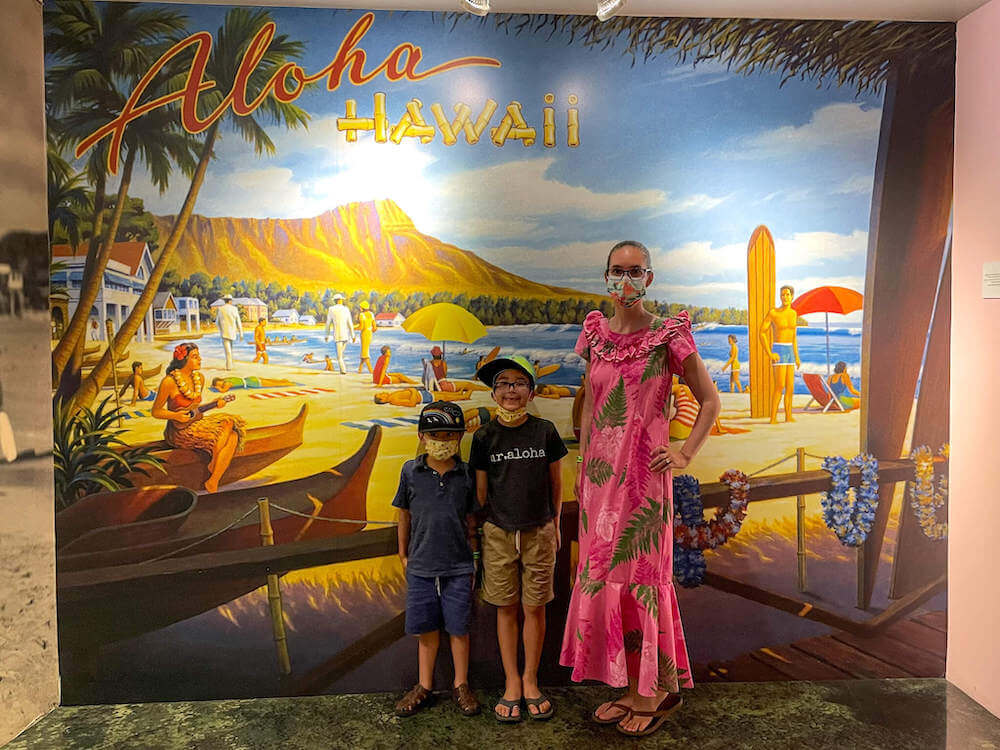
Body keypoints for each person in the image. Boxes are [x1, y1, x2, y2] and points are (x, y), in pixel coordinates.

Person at [560, 240, 719, 738]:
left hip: (646, 484)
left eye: (634, 271)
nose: (624, 280)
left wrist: (685, 452)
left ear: (649, 278)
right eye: (616, 271)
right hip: (599, 486)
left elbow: (710, 401)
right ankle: (630, 687)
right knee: (607, 576)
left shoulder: (669, 336)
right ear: (604, 275)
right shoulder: (595, 336)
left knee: (642, 577)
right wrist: (584, 463)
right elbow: (591, 402)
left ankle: (652, 693)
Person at [469, 355, 568, 723]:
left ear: (531, 390)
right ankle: (511, 680)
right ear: (494, 393)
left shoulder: (545, 431)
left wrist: (555, 524)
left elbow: (556, 484)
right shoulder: (483, 437)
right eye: (503, 384)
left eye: (519, 383)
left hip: (539, 530)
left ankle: (531, 679)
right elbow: (480, 493)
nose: (511, 390)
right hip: (497, 533)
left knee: (535, 607)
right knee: (505, 608)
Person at [392, 401, 481, 718]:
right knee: (426, 629)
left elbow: (472, 520)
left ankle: (460, 684)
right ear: (422, 435)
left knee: (459, 628)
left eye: (449, 434)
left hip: (459, 566)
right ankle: (424, 685)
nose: (442, 440)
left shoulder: (466, 473)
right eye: (435, 434)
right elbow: (403, 515)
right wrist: (402, 553)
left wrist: (474, 559)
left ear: (459, 437)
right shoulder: (410, 471)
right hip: (420, 565)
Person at [151, 343, 246, 493]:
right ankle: (214, 476)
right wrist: (175, 415)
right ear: (184, 360)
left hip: (196, 423)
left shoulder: (199, 379)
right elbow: (156, 411)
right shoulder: (169, 382)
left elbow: (195, 409)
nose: (200, 359)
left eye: (199, 356)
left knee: (231, 428)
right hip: (179, 431)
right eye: (195, 357)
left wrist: (216, 403)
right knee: (231, 433)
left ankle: (213, 477)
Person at [759, 285, 801, 423]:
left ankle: (788, 416)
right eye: (783, 295)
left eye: (788, 294)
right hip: (779, 350)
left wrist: (797, 356)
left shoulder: (794, 313)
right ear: (780, 296)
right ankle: (773, 418)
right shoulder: (774, 313)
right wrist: (769, 353)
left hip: (790, 351)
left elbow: (794, 337)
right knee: (780, 385)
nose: (785, 297)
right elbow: (762, 332)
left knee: (790, 387)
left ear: (792, 296)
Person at [325, 292, 355, 374]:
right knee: (341, 355)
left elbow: (328, 323)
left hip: (338, 336)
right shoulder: (346, 309)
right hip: (346, 335)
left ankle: (343, 370)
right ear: (340, 300)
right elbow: (350, 323)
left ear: (335, 301)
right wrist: (353, 335)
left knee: (339, 356)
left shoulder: (331, 309)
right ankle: (343, 370)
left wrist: (326, 335)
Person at [216, 294, 243, 372]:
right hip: (232, 332)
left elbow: (217, 322)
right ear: (230, 301)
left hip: (224, 332)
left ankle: (229, 365)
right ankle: (229, 365)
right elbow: (238, 321)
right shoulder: (234, 309)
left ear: (224, 301)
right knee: (230, 349)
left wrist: (221, 329)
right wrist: (241, 333)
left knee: (227, 350)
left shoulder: (220, 309)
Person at [374, 387, 472, 407]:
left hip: (422, 393)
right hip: (422, 398)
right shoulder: (393, 400)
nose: (383, 392)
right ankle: (464, 397)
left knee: (443, 393)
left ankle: (459, 394)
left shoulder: (392, 396)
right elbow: (412, 404)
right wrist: (412, 391)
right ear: (382, 400)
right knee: (444, 397)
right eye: (381, 394)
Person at [356, 300, 377, 375]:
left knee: (365, 354)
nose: (359, 308)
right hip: (370, 333)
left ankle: (372, 372)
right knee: (364, 351)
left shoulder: (361, 315)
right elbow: (375, 328)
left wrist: (353, 328)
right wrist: (369, 329)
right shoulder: (371, 314)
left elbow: (361, 327)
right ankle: (359, 371)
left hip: (364, 334)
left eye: (360, 307)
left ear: (362, 308)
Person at [209, 375, 297, 392]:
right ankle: (284, 381)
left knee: (274, 384)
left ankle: (289, 384)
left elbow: (224, 390)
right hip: (250, 378)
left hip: (252, 383)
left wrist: (218, 388)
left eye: (219, 384)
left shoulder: (226, 383)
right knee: (272, 381)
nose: (220, 385)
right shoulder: (227, 379)